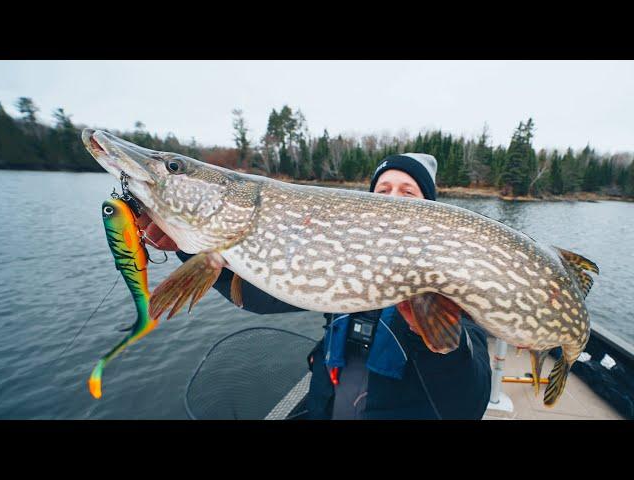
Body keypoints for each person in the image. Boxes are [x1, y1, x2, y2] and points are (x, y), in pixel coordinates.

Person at [138, 153, 492, 420]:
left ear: (430, 212)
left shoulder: (459, 278)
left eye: (407, 192)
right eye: (383, 190)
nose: (393, 198)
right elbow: (261, 293)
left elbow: (468, 404)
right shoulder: (339, 272)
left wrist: (436, 334)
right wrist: (190, 246)